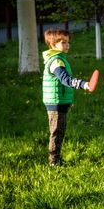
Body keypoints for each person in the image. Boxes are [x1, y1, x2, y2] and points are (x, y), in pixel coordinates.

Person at [42, 28, 90, 166]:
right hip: (56, 102)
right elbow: (65, 80)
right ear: (52, 45)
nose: (67, 45)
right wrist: (83, 84)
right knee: (57, 133)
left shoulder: (59, 59)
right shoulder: (56, 62)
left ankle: (56, 159)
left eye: (68, 42)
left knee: (59, 132)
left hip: (59, 101)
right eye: (63, 42)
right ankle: (54, 162)